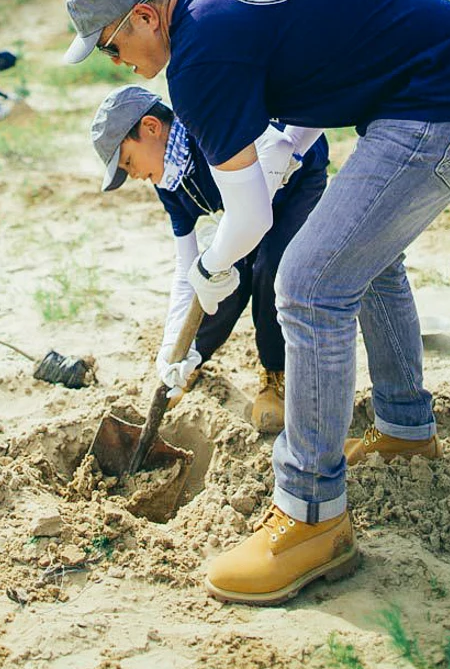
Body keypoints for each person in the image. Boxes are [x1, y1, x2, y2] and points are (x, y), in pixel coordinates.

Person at [63, 0, 450, 606]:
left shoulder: (199, 61)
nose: (117, 63)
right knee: (365, 256)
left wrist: (214, 266)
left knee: (307, 284)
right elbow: (315, 56)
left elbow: (248, 224)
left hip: (444, 100)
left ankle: (309, 516)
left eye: (109, 46)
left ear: (145, 18)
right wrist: (285, 146)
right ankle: (404, 431)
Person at [91, 85, 329, 431]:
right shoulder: (168, 182)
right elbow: (185, 266)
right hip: (245, 210)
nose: (135, 176)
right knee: (217, 278)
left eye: (128, 162)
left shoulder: (207, 129)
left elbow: (282, 146)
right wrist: (174, 343)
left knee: (270, 270)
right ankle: (190, 360)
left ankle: (275, 373)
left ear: (151, 128)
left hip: (294, 178)